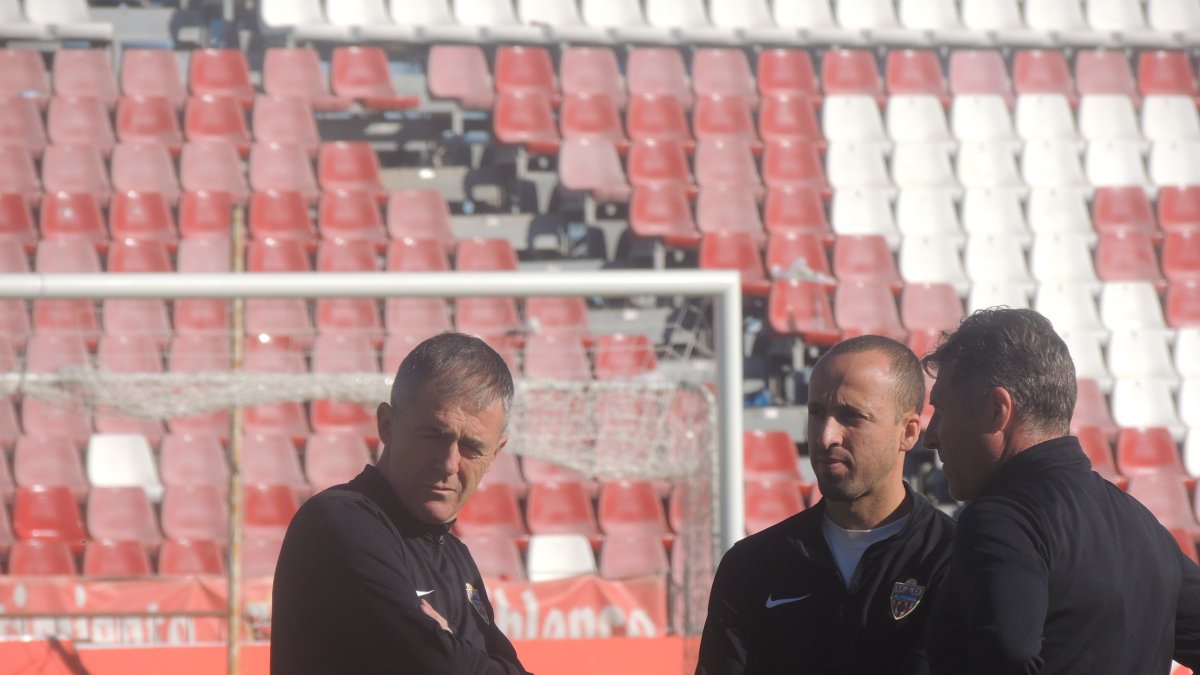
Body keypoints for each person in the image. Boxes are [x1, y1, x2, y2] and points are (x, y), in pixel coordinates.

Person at [922, 308, 1200, 674]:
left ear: (997, 411)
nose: (930, 437)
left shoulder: (1001, 519)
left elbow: (1007, 655)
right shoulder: (1142, 525)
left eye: (941, 412)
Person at [271, 332, 531, 675]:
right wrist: (452, 653)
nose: (449, 464)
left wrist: (454, 649)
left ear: (495, 454)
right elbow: (438, 668)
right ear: (387, 425)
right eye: (433, 436)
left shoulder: (456, 558)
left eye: (471, 447)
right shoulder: (339, 523)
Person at [696, 335, 956, 674]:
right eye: (816, 413)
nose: (825, 436)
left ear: (908, 432)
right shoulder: (751, 566)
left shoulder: (955, 559)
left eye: (851, 416)